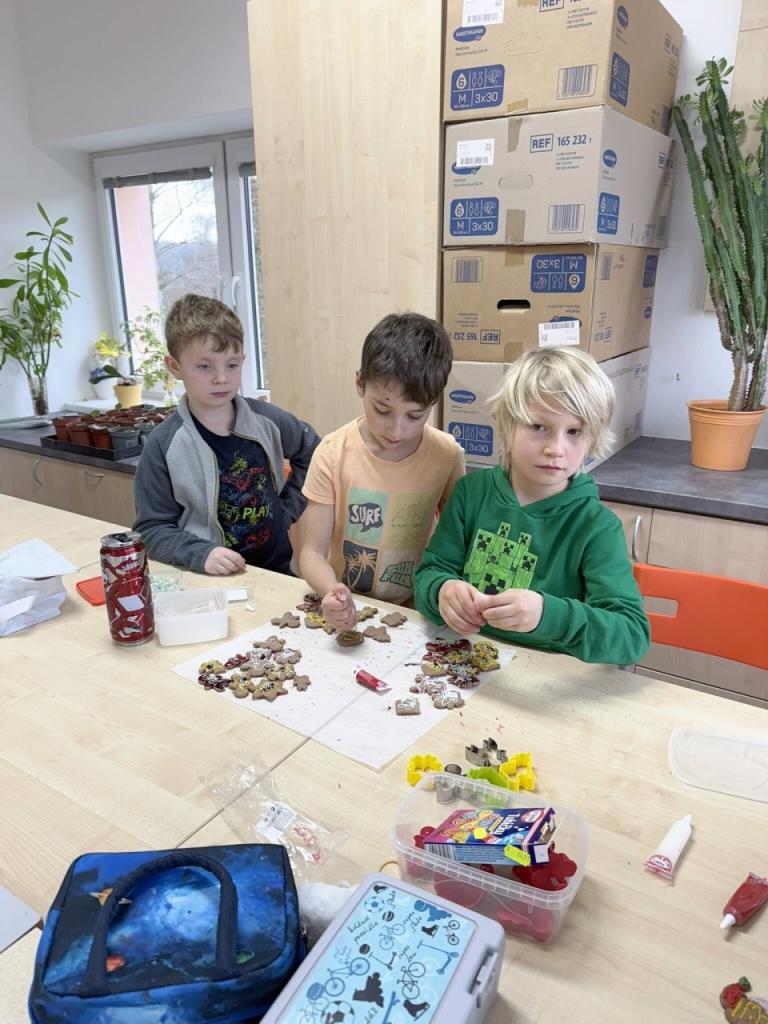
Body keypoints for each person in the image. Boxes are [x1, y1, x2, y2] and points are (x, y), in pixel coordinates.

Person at [413, 347, 650, 664]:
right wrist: (442, 591)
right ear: (507, 426)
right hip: (466, 657)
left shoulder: (597, 527)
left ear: (591, 438)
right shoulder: (471, 493)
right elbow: (430, 573)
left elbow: (631, 635)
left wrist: (548, 615)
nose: (556, 448)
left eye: (574, 432)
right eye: (539, 427)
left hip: (549, 674)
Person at [133, 293, 320, 575]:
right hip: (209, 579)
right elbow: (150, 530)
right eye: (204, 366)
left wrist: (288, 510)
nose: (221, 378)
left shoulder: (269, 420)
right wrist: (200, 553)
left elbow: (316, 452)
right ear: (175, 366)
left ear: (243, 360)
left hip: (277, 572)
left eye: (232, 365)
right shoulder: (163, 445)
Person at [299, 312, 465, 628]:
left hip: (417, 614)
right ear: (360, 384)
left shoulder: (447, 455)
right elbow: (311, 553)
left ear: (433, 402)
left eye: (415, 415)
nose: (397, 430)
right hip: (349, 607)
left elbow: (456, 546)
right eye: (382, 410)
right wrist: (330, 591)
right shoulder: (332, 452)